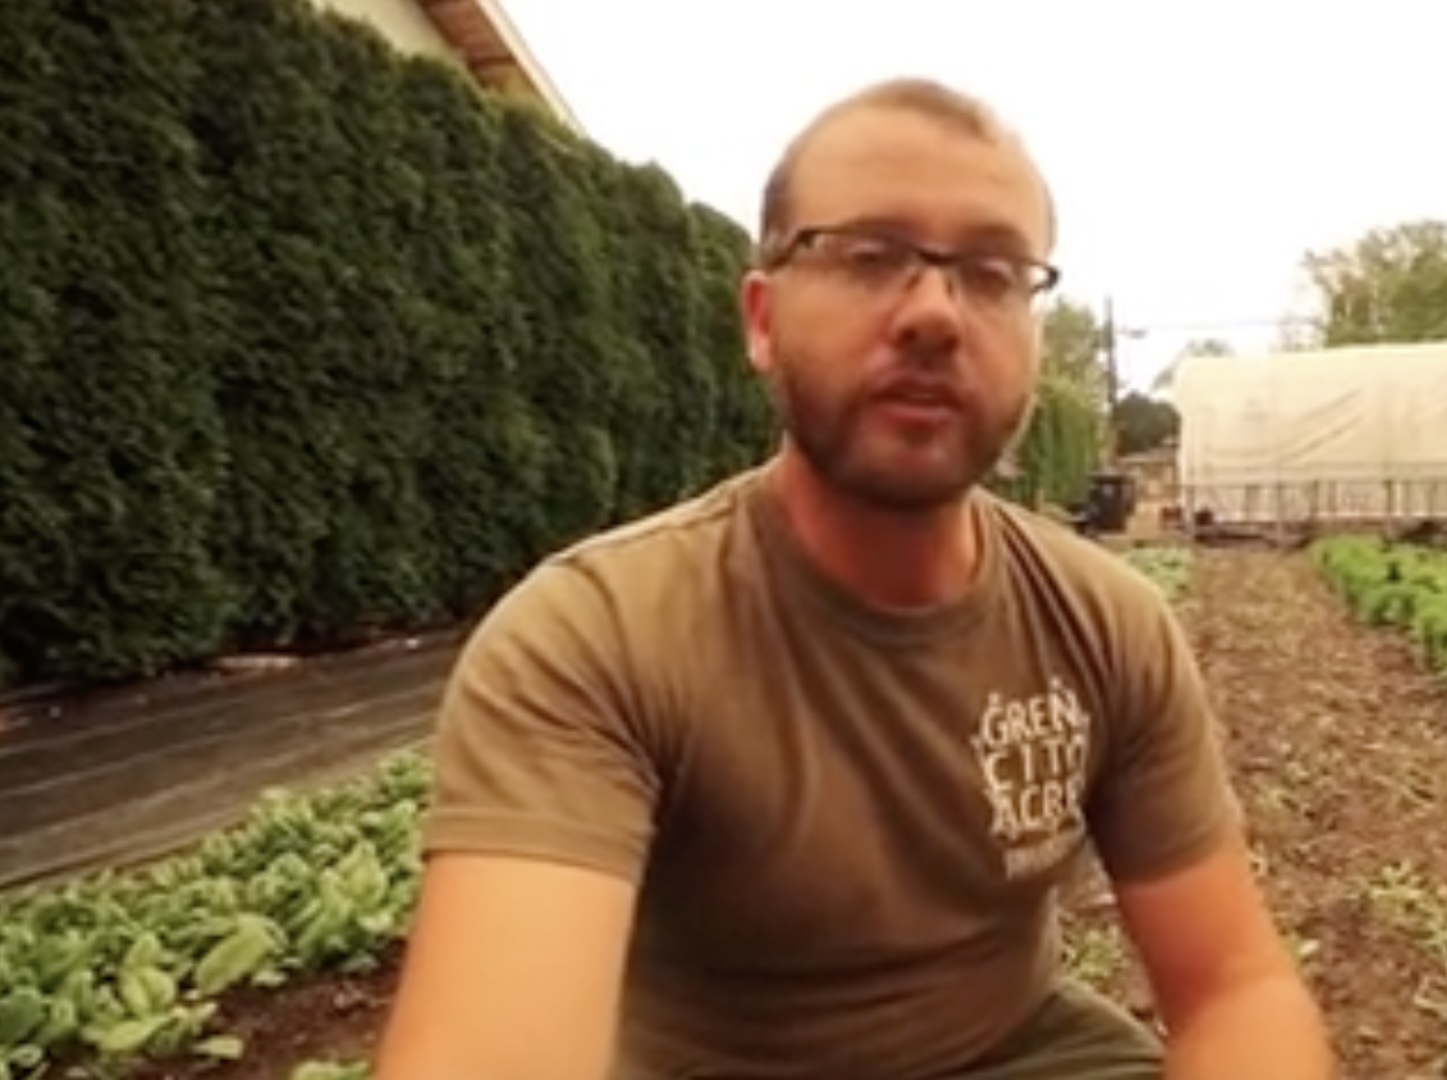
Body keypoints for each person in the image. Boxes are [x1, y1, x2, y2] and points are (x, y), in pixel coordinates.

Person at [373, 75, 1336, 1080]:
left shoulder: (1105, 624)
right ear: (761, 319)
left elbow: (1235, 984)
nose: (934, 313)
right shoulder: (593, 641)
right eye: (870, 256)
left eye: (995, 269)